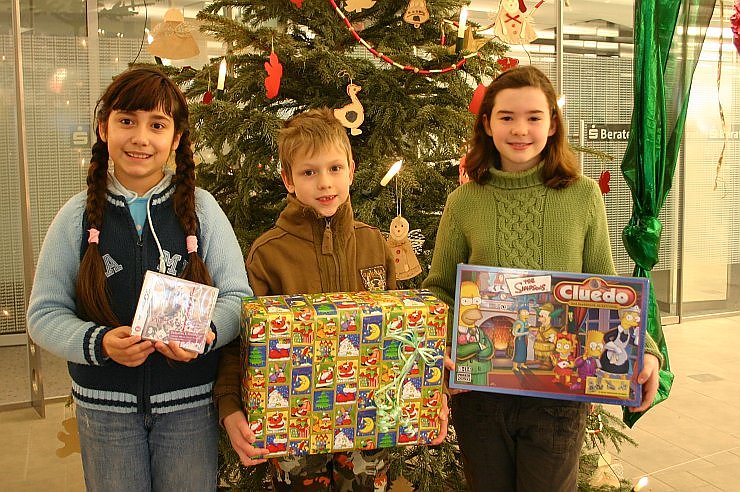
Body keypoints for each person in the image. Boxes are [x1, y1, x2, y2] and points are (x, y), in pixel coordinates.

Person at [422, 66, 662, 492]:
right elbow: (440, 289)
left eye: (533, 117)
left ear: (552, 124)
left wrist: (647, 350)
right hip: (480, 395)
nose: (520, 129)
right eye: (507, 117)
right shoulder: (463, 202)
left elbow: (607, 288)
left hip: (559, 398)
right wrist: (437, 344)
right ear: (487, 124)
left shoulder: (583, 195)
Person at [26, 67, 251, 492]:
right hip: (105, 409)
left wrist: (204, 334)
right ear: (103, 128)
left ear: (177, 138)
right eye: (127, 121)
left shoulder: (203, 209)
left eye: (157, 125)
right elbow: (44, 315)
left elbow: (238, 298)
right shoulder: (76, 216)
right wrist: (99, 343)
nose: (141, 138)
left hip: (189, 406)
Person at [214, 108, 448, 491]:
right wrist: (230, 407)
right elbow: (239, 344)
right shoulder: (268, 254)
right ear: (288, 179)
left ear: (351, 170)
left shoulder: (374, 243)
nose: (325, 182)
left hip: (371, 421)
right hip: (293, 424)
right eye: (309, 172)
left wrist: (432, 392)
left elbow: (404, 333)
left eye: (335, 168)